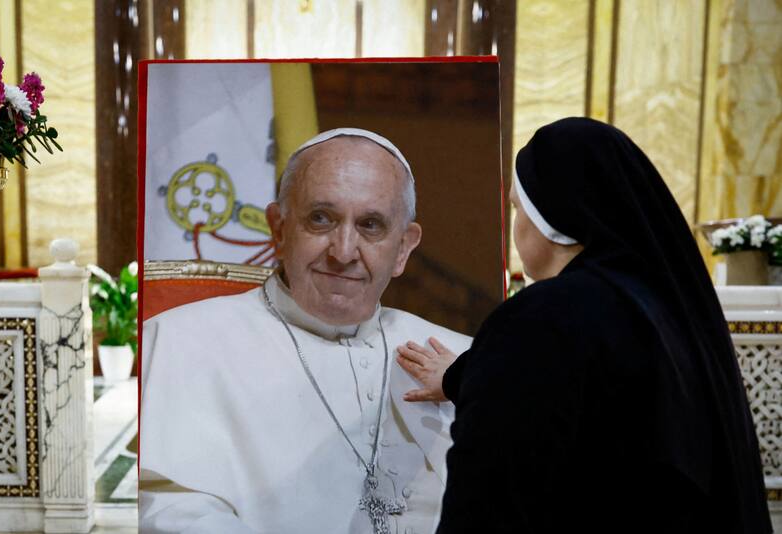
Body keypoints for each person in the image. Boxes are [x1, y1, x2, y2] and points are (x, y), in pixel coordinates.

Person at [397, 117, 772, 533]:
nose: (515, 225)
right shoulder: (657, 304)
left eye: (518, 208)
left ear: (550, 220)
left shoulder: (545, 316)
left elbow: (492, 488)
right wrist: (464, 375)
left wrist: (485, 370)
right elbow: (598, 395)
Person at [139, 128, 473, 534]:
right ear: (279, 230)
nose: (344, 251)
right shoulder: (180, 343)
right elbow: (169, 512)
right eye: (321, 219)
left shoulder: (465, 362)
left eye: (370, 225)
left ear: (403, 248)